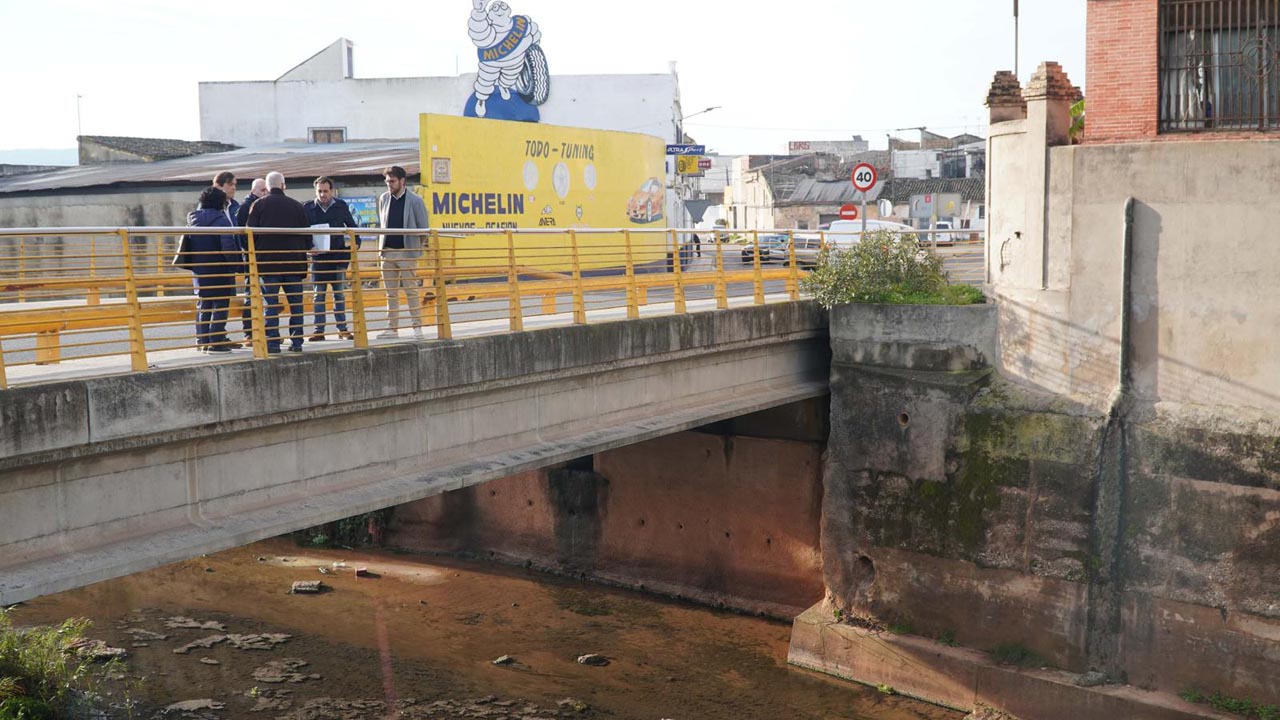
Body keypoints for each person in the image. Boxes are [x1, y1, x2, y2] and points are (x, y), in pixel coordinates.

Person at [247, 171, 310, 353]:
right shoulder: (297, 206)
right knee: (296, 306)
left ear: (266, 187)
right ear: (284, 185)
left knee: (271, 305)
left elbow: (249, 235)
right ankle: (296, 343)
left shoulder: (258, 205)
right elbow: (307, 235)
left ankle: (273, 343)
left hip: (268, 265)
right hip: (294, 265)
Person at [185, 187, 243, 353]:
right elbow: (227, 248)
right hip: (220, 270)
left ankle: (202, 341)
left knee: (204, 304)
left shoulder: (192, 219)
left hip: (200, 270)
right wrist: (237, 265)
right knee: (220, 305)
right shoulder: (221, 220)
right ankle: (216, 342)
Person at [304, 176, 360, 341]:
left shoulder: (340, 206)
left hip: (337, 257)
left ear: (332, 191)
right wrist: (308, 247)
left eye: (325, 191)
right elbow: (303, 231)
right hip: (318, 259)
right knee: (318, 295)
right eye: (319, 191)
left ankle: (342, 329)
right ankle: (318, 330)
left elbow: (351, 225)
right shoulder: (308, 208)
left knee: (339, 294)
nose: (322, 194)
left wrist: (356, 242)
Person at [377, 166, 428, 339]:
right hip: (388, 252)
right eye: (387, 181)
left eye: (392, 181)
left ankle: (417, 328)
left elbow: (424, 229)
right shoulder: (384, 198)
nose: (389, 185)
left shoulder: (415, 200)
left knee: (411, 290)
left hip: (407, 252)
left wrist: (415, 248)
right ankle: (392, 329)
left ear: (402, 181)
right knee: (390, 293)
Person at [235, 178, 270, 345]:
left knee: (264, 295)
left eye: (266, 190)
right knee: (251, 295)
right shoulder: (246, 207)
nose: (265, 193)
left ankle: (263, 331)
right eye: (262, 190)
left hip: (259, 257)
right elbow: (241, 234)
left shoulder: (260, 205)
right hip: (252, 258)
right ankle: (250, 333)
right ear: (254, 190)